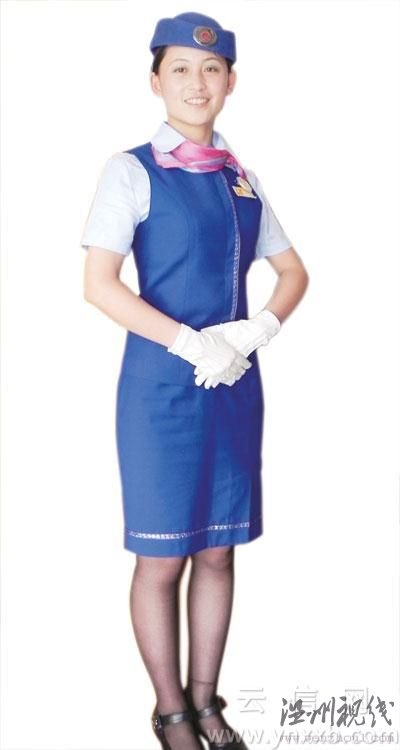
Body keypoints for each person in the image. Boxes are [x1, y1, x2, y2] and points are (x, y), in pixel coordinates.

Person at [80, 11, 309, 750]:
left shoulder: (242, 178)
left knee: (217, 549)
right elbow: (99, 284)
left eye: (212, 69)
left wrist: (255, 330)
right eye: (180, 68)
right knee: (162, 555)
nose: (197, 82)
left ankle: (209, 702)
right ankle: (171, 711)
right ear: (156, 81)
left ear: (231, 81)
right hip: (159, 391)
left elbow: (293, 272)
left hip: (234, 383)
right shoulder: (130, 170)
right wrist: (187, 341)